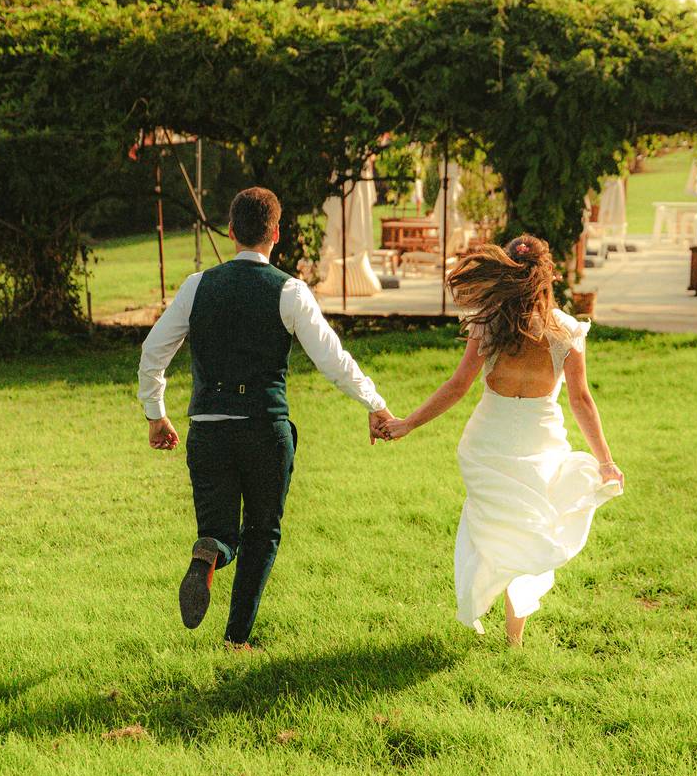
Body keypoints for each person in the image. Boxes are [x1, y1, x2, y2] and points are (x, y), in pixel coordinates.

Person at [138, 186, 393, 648]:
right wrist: (374, 404)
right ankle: (237, 638)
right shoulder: (289, 291)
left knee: (218, 528)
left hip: (208, 431)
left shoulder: (198, 286)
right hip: (264, 429)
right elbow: (332, 359)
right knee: (262, 532)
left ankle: (209, 553)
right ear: (276, 233)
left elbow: (154, 351)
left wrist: (157, 414)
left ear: (231, 231)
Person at [379, 234, 623, 645]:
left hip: (489, 442)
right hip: (538, 441)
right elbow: (580, 400)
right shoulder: (565, 331)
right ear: (547, 277)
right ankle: (514, 637)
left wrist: (408, 423)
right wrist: (605, 460)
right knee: (527, 532)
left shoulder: (489, 324)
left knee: (498, 531)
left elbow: (457, 387)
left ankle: (501, 623)